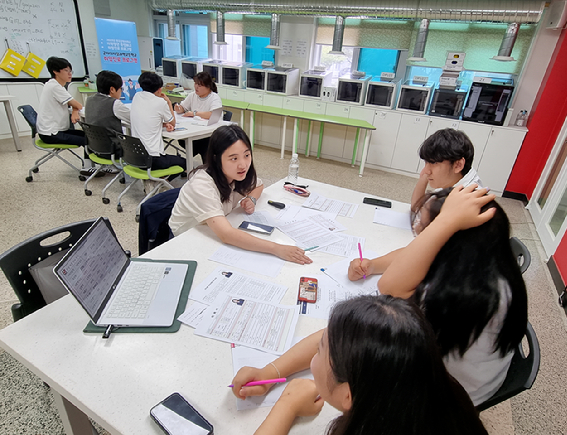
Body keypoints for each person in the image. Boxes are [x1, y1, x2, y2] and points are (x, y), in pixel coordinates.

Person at [348, 184, 528, 406]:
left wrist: (444, 222)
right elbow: (411, 252)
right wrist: (373, 265)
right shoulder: (484, 261)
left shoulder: (461, 294)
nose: (417, 230)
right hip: (464, 378)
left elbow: (389, 286)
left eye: (425, 228)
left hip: (444, 400)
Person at [232, 295, 488, 435]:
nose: (315, 355)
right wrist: (271, 371)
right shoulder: (424, 379)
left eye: (320, 352)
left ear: (348, 395)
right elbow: (332, 336)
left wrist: (286, 406)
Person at [169, 124, 312, 265]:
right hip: (186, 239)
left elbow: (259, 185)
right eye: (234, 158)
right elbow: (226, 235)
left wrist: (251, 199)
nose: (243, 165)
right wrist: (277, 248)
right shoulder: (201, 185)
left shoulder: (236, 175)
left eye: (246, 155)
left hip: (211, 230)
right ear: (216, 159)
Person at [36, 56, 94, 176]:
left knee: (89, 135)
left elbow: (74, 104)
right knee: (88, 138)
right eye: (66, 71)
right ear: (56, 71)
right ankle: (88, 168)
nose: (70, 74)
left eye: (70, 71)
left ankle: (90, 165)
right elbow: (77, 104)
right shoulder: (55, 87)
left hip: (51, 130)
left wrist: (74, 111)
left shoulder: (54, 85)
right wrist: (75, 108)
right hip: (52, 133)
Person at [130, 71, 186, 179]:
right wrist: (169, 102)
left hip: (135, 156)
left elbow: (147, 117)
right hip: (153, 159)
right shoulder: (160, 102)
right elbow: (173, 122)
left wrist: (163, 124)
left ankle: (156, 181)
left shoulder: (137, 96)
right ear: (159, 89)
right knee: (184, 162)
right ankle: (159, 183)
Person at [411, 128, 483, 208]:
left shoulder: (468, 202)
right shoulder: (452, 180)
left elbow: (420, 216)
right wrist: (424, 178)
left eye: (433, 162)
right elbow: (416, 208)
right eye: (426, 162)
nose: (426, 170)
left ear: (458, 165)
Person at [174, 71, 222, 163]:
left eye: (199, 85)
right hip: (194, 130)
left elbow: (213, 114)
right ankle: (189, 164)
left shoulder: (214, 97)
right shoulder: (192, 95)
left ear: (208, 87)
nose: (196, 87)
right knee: (183, 140)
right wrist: (178, 108)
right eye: (195, 83)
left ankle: (206, 167)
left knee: (204, 144)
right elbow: (183, 108)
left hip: (208, 134)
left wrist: (194, 113)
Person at [85, 70, 131, 160]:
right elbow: (134, 118)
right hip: (114, 150)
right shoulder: (114, 103)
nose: (121, 91)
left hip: (94, 147)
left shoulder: (89, 100)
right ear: (112, 89)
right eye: (120, 88)